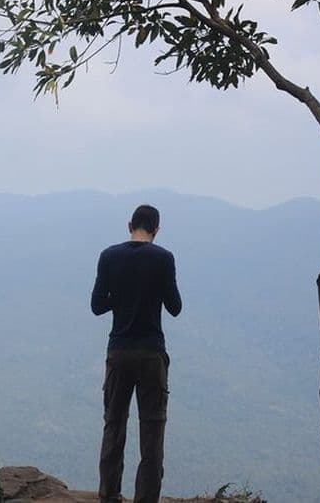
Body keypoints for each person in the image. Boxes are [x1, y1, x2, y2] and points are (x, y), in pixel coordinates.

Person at [90, 204, 182, 503]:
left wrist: (121, 296)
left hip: (118, 352)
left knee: (114, 424)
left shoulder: (108, 256)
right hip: (151, 354)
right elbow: (175, 307)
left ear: (130, 224)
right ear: (156, 229)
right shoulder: (163, 259)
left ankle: (109, 494)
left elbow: (97, 306)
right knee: (152, 433)